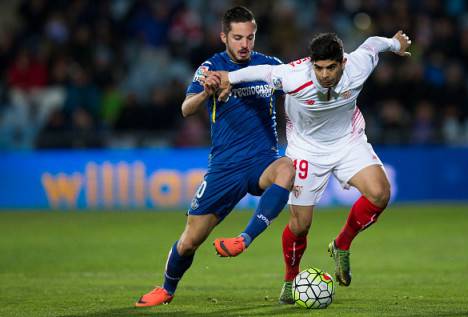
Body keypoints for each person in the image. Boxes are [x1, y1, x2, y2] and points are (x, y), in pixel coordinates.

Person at [212, 31, 411, 303]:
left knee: (380, 193)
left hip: (347, 141)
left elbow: (373, 44)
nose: (325, 74)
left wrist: (394, 44)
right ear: (311, 65)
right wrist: (228, 77)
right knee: (300, 224)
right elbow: (264, 71)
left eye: (331, 67)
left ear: (342, 62)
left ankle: (342, 244)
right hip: (306, 150)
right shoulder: (295, 76)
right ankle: (290, 279)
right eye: (318, 68)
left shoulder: (358, 65)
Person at [135, 6, 295, 307]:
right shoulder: (211, 67)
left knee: (287, 168)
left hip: (263, 160)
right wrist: (206, 92)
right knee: (190, 240)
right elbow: (186, 108)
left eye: (250, 37)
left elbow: (298, 88)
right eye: (237, 37)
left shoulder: (270, 66)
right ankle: (167, 288)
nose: (245, 44)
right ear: (224, 36)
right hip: (225, 168)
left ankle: (244, 239)